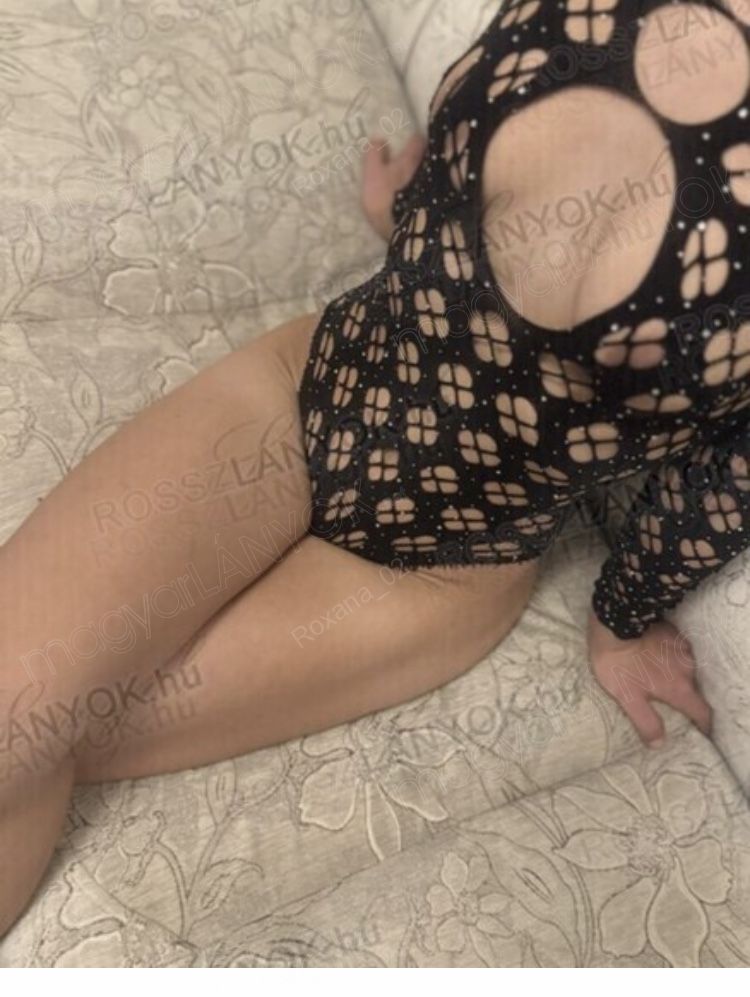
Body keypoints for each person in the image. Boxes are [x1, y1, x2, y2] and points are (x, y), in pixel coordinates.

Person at [3, 0, 749, 936]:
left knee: (54, 735)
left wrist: (621, 619)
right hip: (304, 390)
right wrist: (421, 211)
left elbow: (729, 481)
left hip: (439, 567)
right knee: (20, 723)